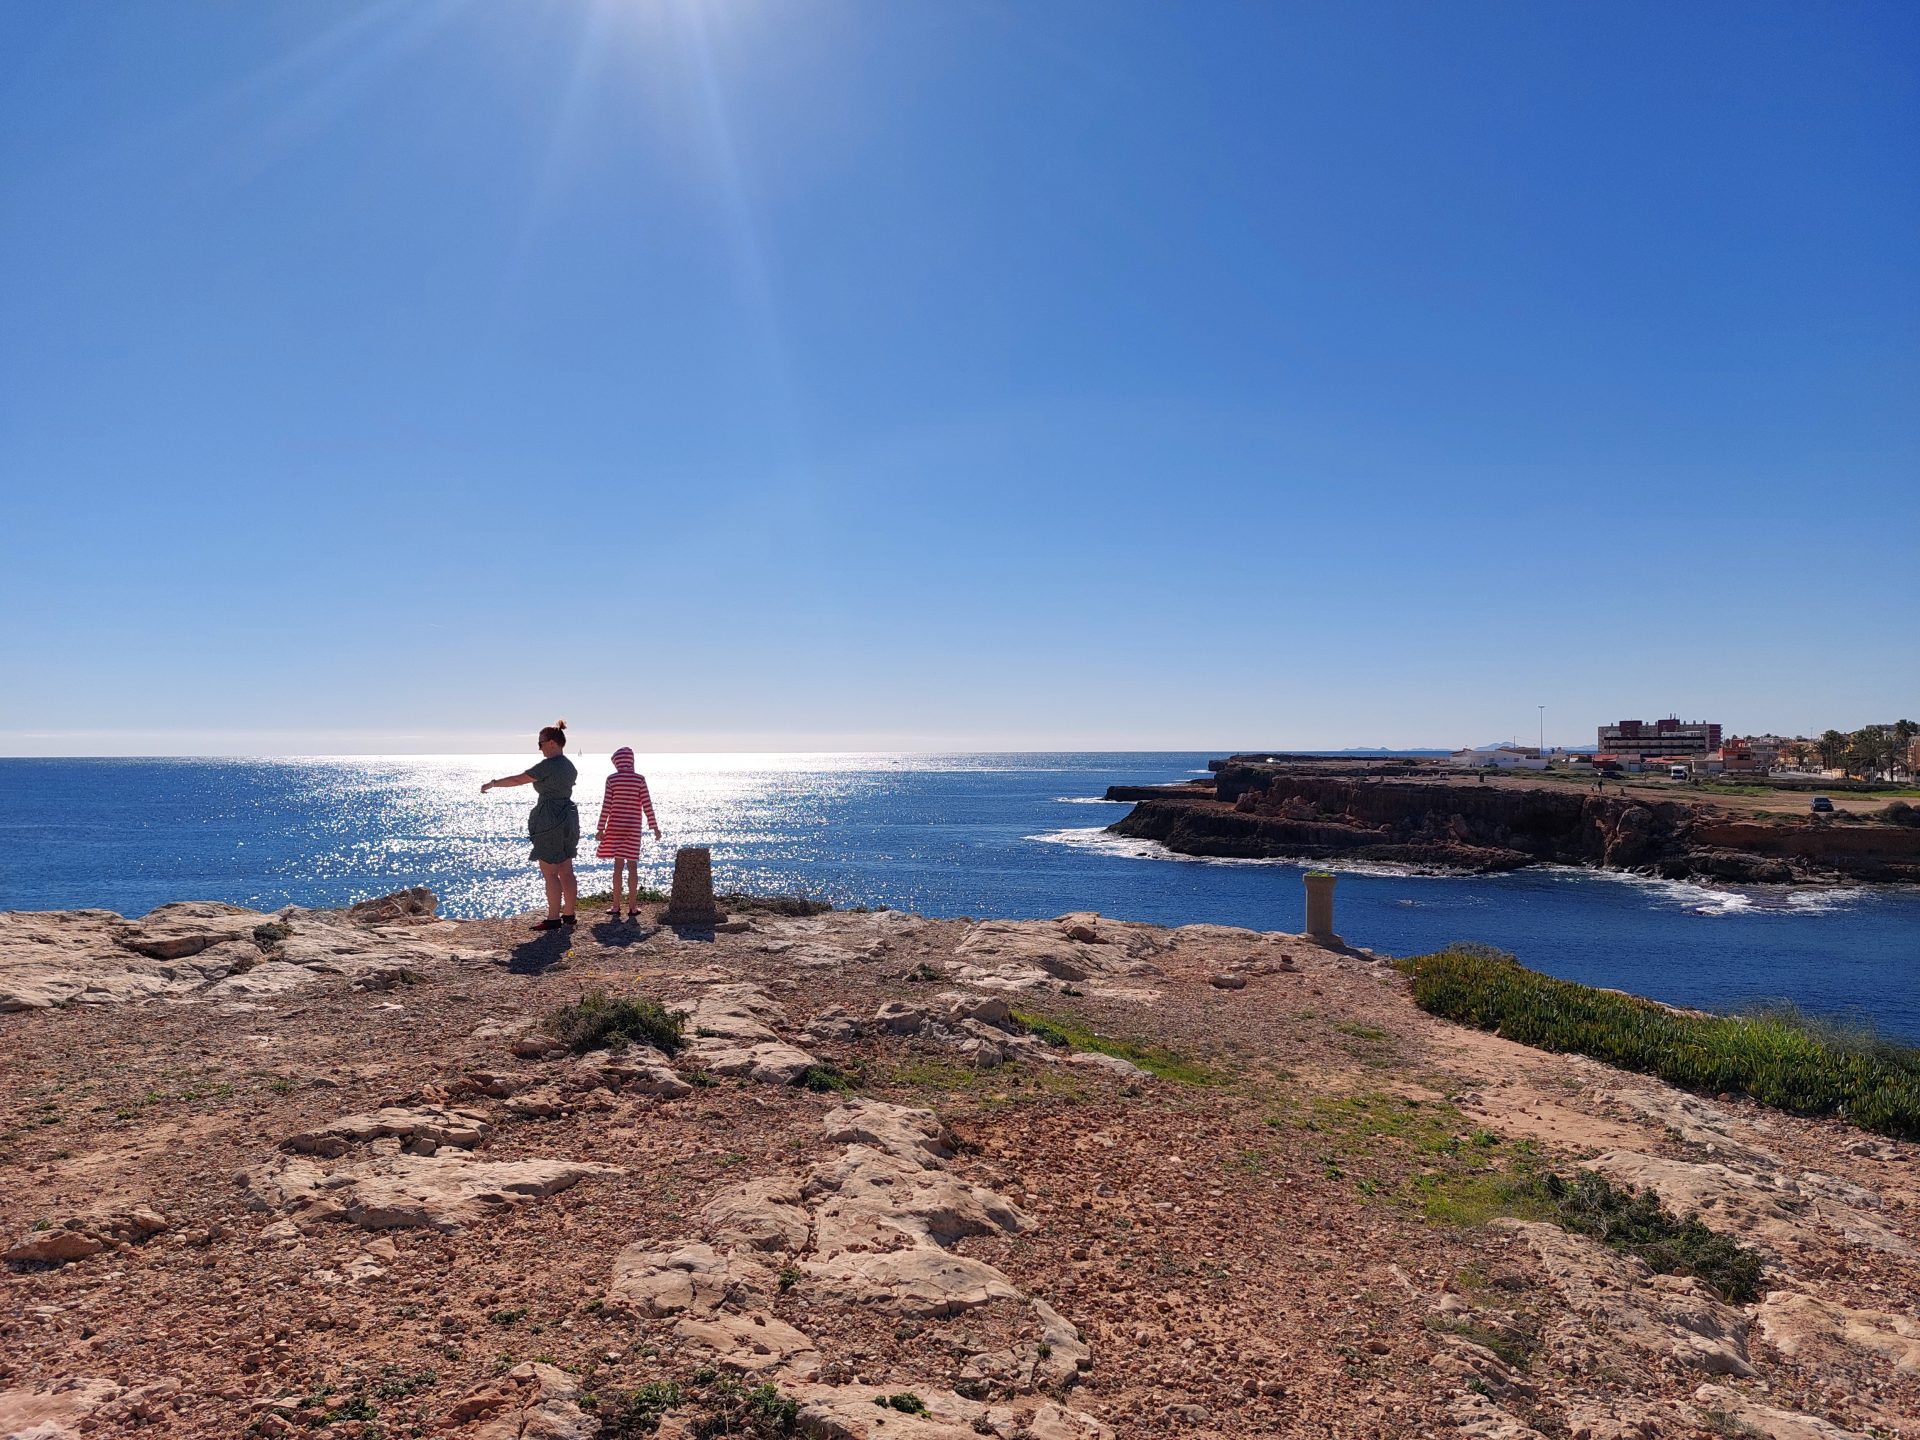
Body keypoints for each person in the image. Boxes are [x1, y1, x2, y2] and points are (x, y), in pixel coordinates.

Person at [481, 721, 579, 930]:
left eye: (540, 743)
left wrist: (494, 783)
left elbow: (518, 780)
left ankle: (553, 918)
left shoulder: (548, 765)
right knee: (566, 869)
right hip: (569, 817)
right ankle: (569, 914)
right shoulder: (569, 765)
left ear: (552, 743)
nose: (539, 747)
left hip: (551, 818)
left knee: (550, 870)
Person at [595, 746, 662, 921]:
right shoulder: (639, 780)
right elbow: (647, 804)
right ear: (631, 761)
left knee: (617, 867)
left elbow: (606, 805)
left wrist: (600, 828)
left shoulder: (612, 779)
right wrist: (654, 827)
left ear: (617, 762)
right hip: (632, 828)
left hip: (615, 827)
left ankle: (616, 906)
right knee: (632, 867)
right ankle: (632, 907)